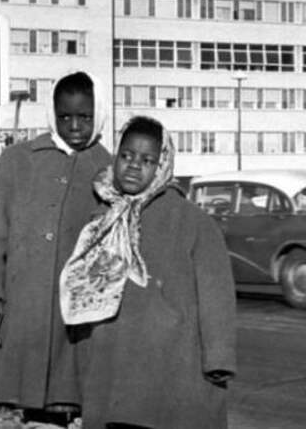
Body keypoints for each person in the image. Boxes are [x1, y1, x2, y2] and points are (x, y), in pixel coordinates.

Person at [60, 116, 236, 429]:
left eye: (147, 160)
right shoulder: (102, 218)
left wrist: (218, 358)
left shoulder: (192, 222)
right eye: (126, 156)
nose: (133, 166)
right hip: (111, 357)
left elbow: (217, 297)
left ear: (162, 165)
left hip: (172, 357)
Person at [0, 70, 112, 425]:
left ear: (99, 115)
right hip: (22, 305)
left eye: (85, 117)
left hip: (76, 316)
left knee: (69, 401)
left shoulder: (109, 170)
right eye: (65, 117)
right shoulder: (17, 160)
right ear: (52, 114)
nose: (74, 126)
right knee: (15, 403)